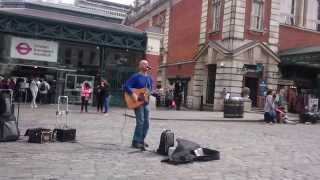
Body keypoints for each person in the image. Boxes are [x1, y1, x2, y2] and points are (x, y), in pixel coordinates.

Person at [124, 60, 153, 150]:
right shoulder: (135, 76)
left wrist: (150, 92)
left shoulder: (149, 78)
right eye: (144, 64)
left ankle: (141, 140)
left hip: (145, 102)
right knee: (140, 121)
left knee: (146, 122)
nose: (146, 65)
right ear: (140, 66)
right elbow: (126, 86)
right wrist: (133, 94)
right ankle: (135, 141)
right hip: (137, 102)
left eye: (147, 64)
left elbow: (150, 89)